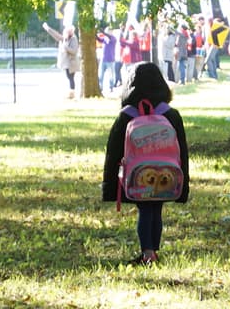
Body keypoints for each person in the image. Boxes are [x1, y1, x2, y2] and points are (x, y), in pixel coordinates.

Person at [102, 62, 191, 265]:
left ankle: (147, 252)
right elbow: (182, 153)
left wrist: (110, 186)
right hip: (167, 175)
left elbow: (113, 152)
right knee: (156, 210)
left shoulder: (126, 116)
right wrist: (183, 185)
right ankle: (153, 251)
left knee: (144, 210)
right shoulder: (171, 114)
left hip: (139, 176)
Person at [43, 21, 80, 99]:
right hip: (67, 63)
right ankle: (71, 93)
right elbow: (56, 35)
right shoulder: (65, 39)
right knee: (69, 77)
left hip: (72, 63)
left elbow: (74, 51)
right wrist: (48, 29)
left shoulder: (74, 39)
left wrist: (65, 47)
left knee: (70, 77)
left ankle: (72, 94)